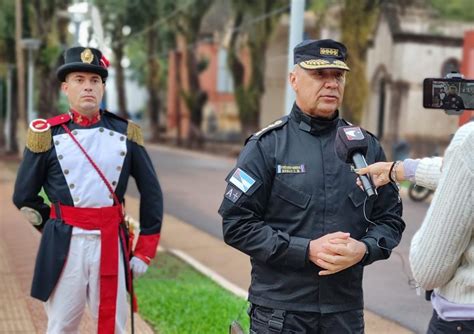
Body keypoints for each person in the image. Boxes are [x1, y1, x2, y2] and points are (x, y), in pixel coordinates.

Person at [218, 39, 405, 333]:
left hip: (344, 314)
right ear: (294, 79)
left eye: (338, 76)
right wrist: (305, 250)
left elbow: (390, 220)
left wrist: (364, 249)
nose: (331, 84)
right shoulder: (267, 146)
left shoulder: (367, 147)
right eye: (320, 75)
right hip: (280, 313)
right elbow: (237, 224)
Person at [12, 46, 163, 334]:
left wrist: (144, 251)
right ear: (65, 87)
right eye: (79, 80)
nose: (88, 87)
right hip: (65, 245)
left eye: (95, 81)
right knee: (60, 327)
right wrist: (53, 225)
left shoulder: (126, 132)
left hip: (111, 241)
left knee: (114, 326)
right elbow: (23, 196)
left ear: (103, 87)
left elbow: (152, 192)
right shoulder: (47, 134)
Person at [356, 121, 474, 333]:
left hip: (462, 321)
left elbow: (428, 270)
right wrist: (397, 169)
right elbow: (459, 169)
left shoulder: (470, 139)